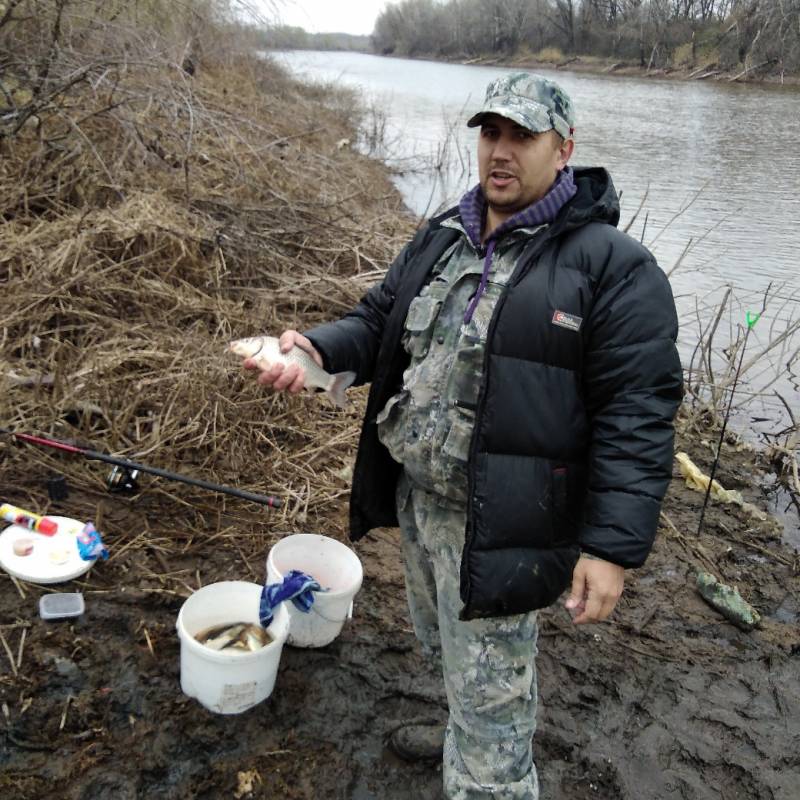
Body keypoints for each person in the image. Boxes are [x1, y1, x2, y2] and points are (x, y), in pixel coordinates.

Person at [241, 73, 683, 799]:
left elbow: (639, 412)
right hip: (420, 502)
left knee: (494, 713)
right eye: (490, 133)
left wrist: (610, 548)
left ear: (563, 148)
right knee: (447, 652)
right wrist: (318, 350)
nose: (500, 152)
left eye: (522, 136)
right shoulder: (445, 235)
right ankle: (461, 731)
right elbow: (379, 320)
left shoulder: (612, 268)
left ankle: (487, 775)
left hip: (503, 523)